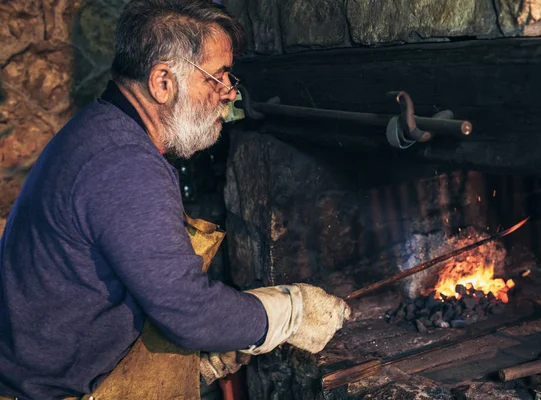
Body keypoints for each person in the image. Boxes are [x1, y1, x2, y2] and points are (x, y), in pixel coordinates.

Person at [0, 1, 350, 399]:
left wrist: (194, 354)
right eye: (216, 77)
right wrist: (292, 311)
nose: (230, 92)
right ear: (162, 82)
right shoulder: (123, 166)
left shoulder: (104, 130)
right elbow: (189, 312)